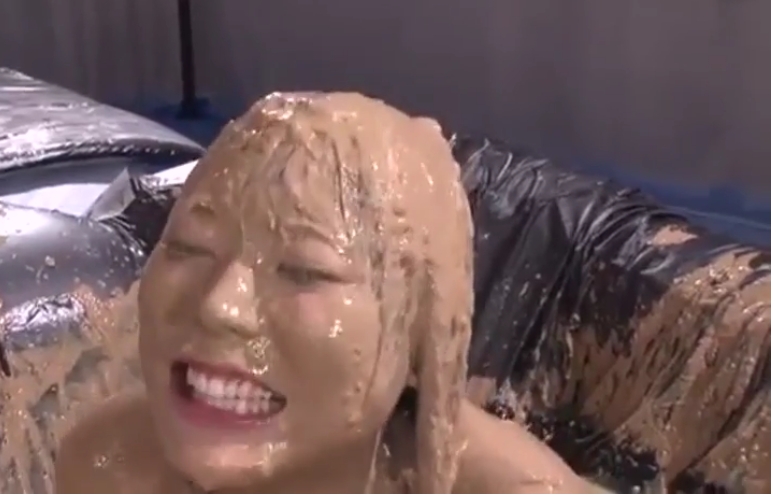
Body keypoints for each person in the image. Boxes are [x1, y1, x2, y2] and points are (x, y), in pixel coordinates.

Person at [54, 92, 595, 493]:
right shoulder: (109, 470)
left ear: (418, 337)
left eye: (303, 271)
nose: (220, 306)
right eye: (189, 248)